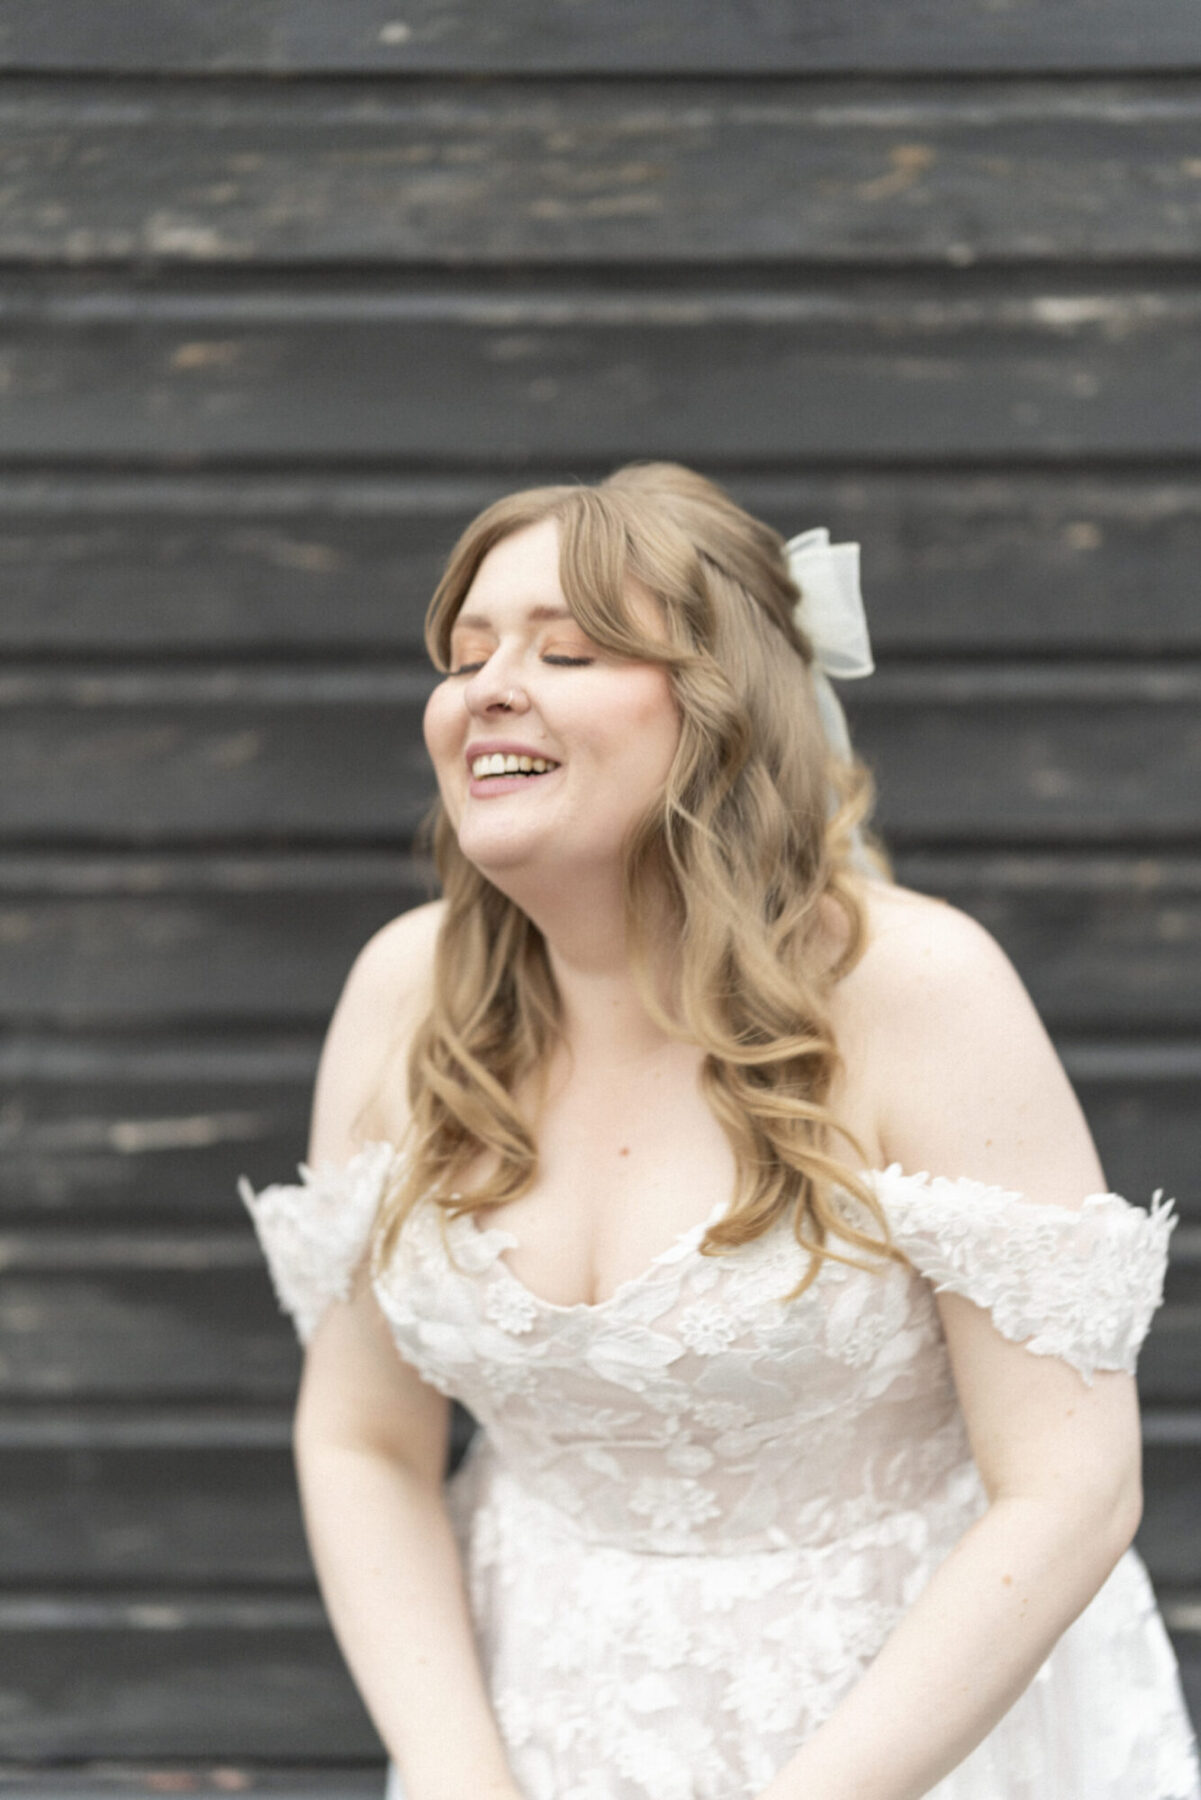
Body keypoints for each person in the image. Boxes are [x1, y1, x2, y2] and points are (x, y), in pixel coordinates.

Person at [239, 462, 1201, 1800]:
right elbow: (361, 1439)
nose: (486, 687)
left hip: (910, 1739)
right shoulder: (407, 995)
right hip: (535, 1728)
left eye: (565, 648)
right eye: (464, 656)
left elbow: (1071, 1488)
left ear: (718, 712)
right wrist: (456, 1768)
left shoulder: (918, 991)